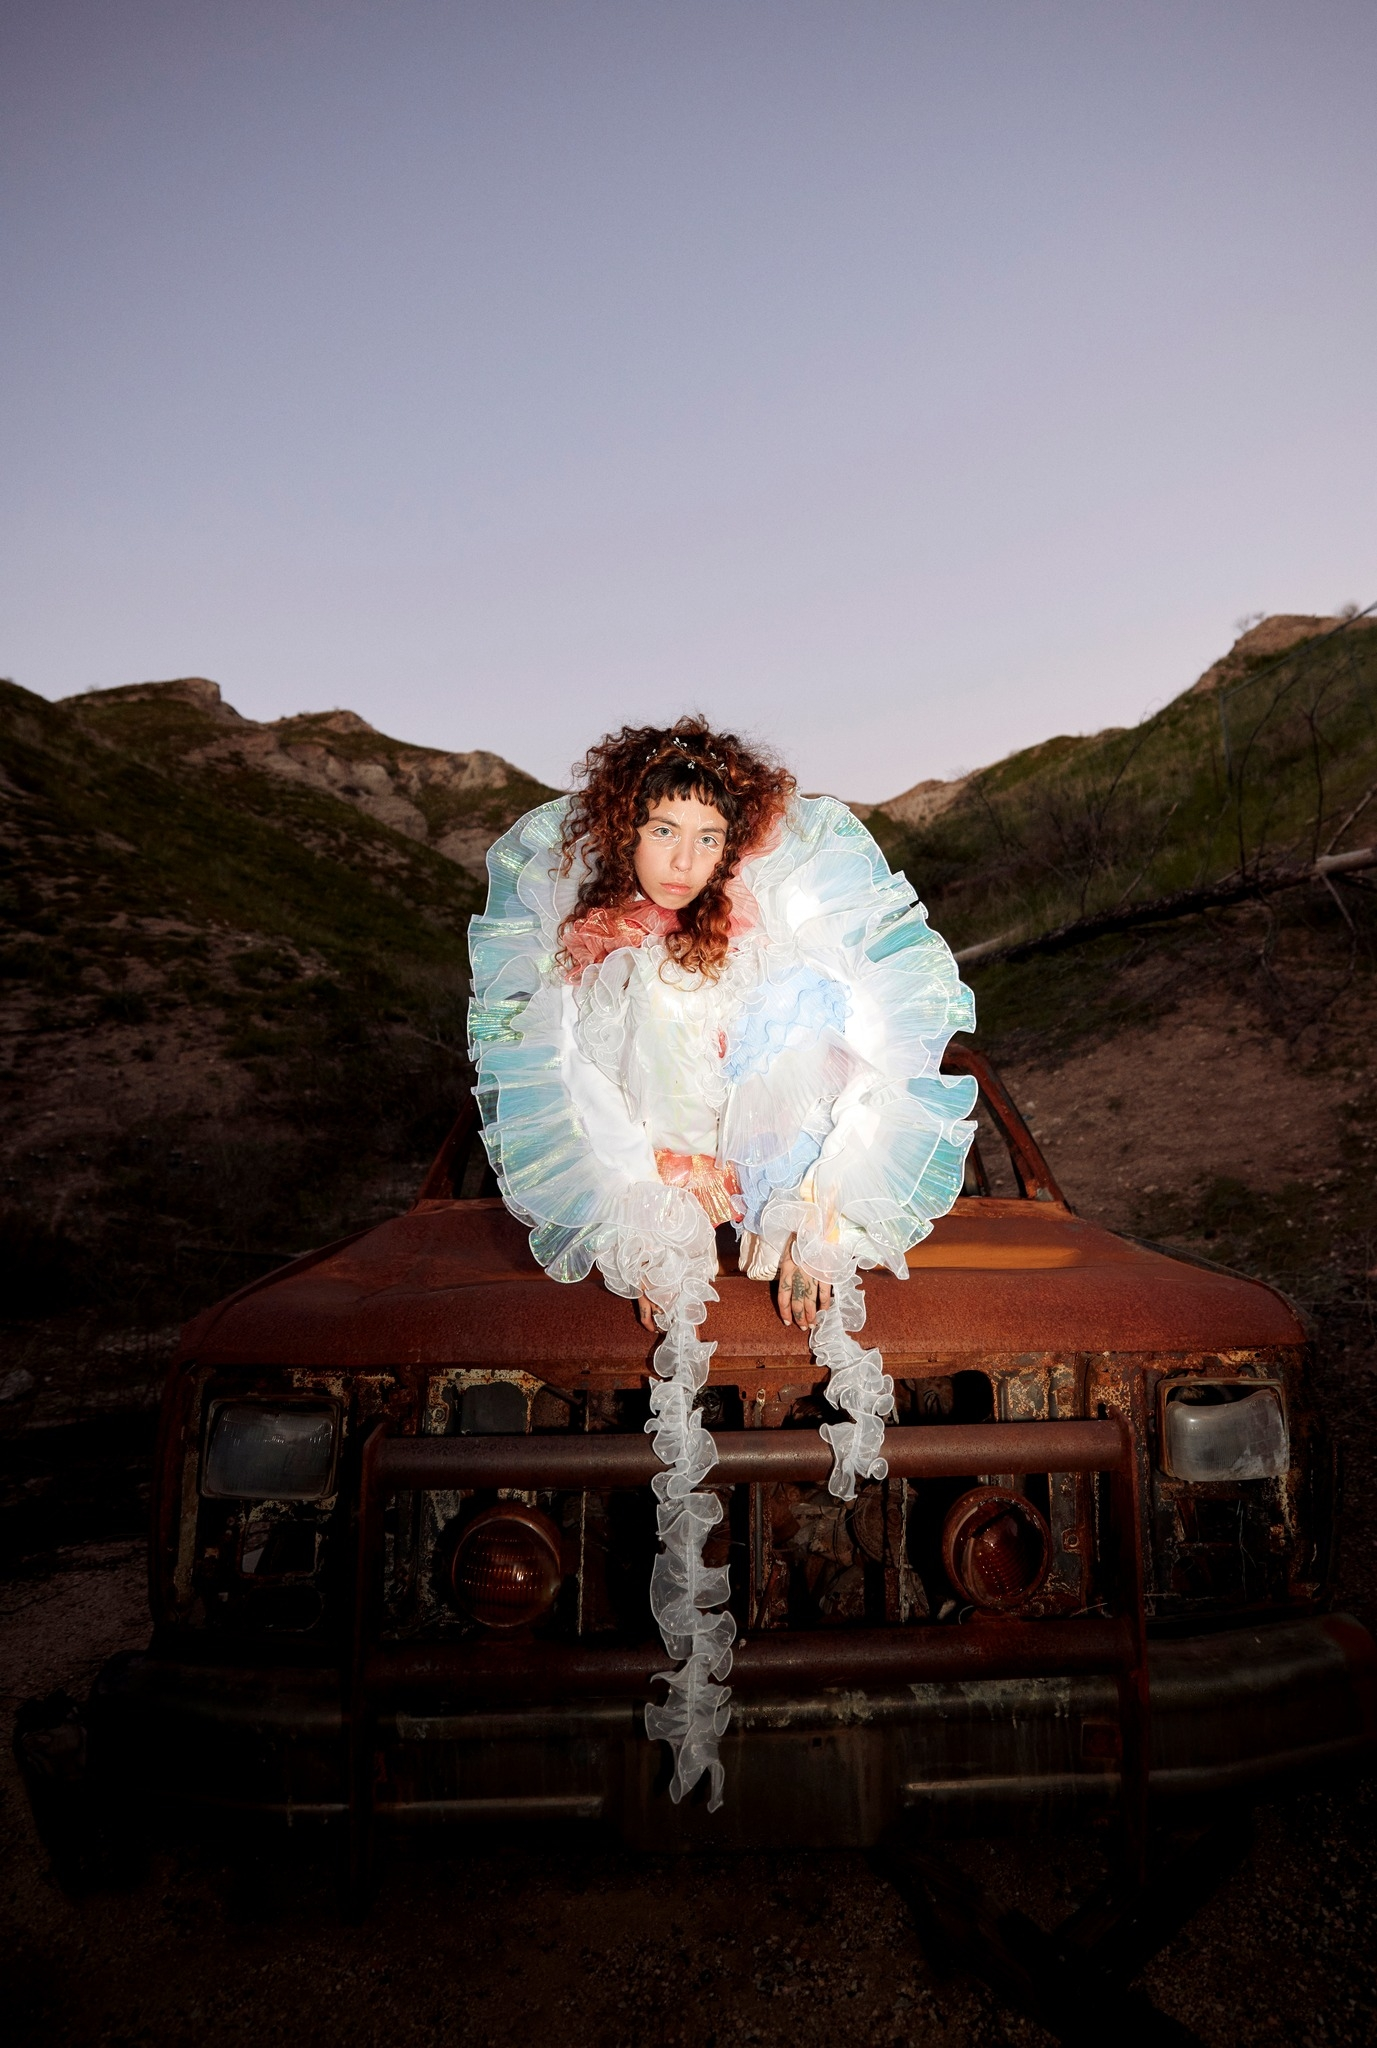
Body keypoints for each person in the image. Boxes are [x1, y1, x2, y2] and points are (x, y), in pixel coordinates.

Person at [468, 716, 976, 1808]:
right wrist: (656, 1175)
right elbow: (576, 1089)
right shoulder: (587, 953)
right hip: (648, 1201)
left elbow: (842, 1071)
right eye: (663, 828)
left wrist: (816, 1213)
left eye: (707, 836)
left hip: (766, 1201)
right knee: (650, 1409)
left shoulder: (756, 945)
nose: (685, 857)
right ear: (624, 826)